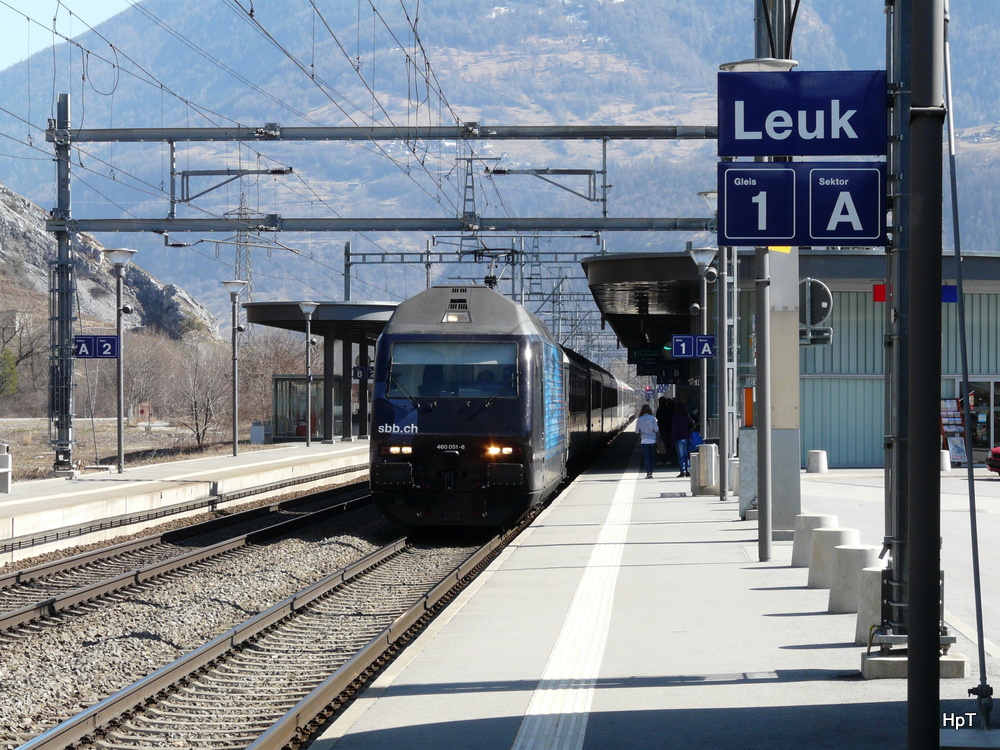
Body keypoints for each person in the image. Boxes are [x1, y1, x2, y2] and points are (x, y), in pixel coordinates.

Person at [634, 403, 659, 478]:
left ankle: (648, 473)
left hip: (644, 441)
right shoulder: (653, 418)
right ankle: (651, 471)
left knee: (647, 457)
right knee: (652, 457)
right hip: (653, 440)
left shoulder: (639, 419)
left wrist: (642, 431)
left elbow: (636, 431)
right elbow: (656, 429)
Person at [671, 399, 693, 478]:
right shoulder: (686, 417)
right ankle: (688, 470)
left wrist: (672, 440)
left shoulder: (676, 417)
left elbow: (674, 429)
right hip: (686, 437)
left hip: (679, 438)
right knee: (686, 455)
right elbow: (691, 425)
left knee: (681, 455)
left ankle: (682, 471)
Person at [655, 396, 675, 465]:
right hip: (669, 429)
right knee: (667, 445)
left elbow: (657, 417)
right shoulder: (668, 409)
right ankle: (668, 459)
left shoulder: (661, 409)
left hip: (663, 430)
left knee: (662, 445)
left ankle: (664, 460)